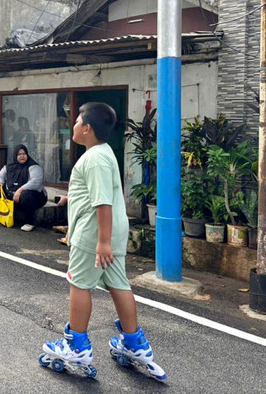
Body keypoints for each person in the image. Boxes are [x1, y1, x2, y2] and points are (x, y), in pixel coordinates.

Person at [41, 103, 166, 381]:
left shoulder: (94, 158)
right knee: (118, 284)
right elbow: (95, 193)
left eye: (77, 121)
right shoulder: (104, 152)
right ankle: (134, 343)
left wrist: (103, 242)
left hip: (94, 234)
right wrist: (70, 199)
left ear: (87, 128)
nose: (73, 125)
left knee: (79, 283)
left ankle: (76, 346)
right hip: (110, 232)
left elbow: (102, 202)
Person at [0, 144, 47, 232]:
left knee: (26, 195)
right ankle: (2, 215)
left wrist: (20, 190)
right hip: (13, 194)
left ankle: (29, 222)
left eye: (24, 154)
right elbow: (0, 177)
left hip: (35, 196)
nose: (22, 156)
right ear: (15, 155)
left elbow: (35, 182)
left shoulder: (34, 167)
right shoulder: (9, 167)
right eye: (19, 154)